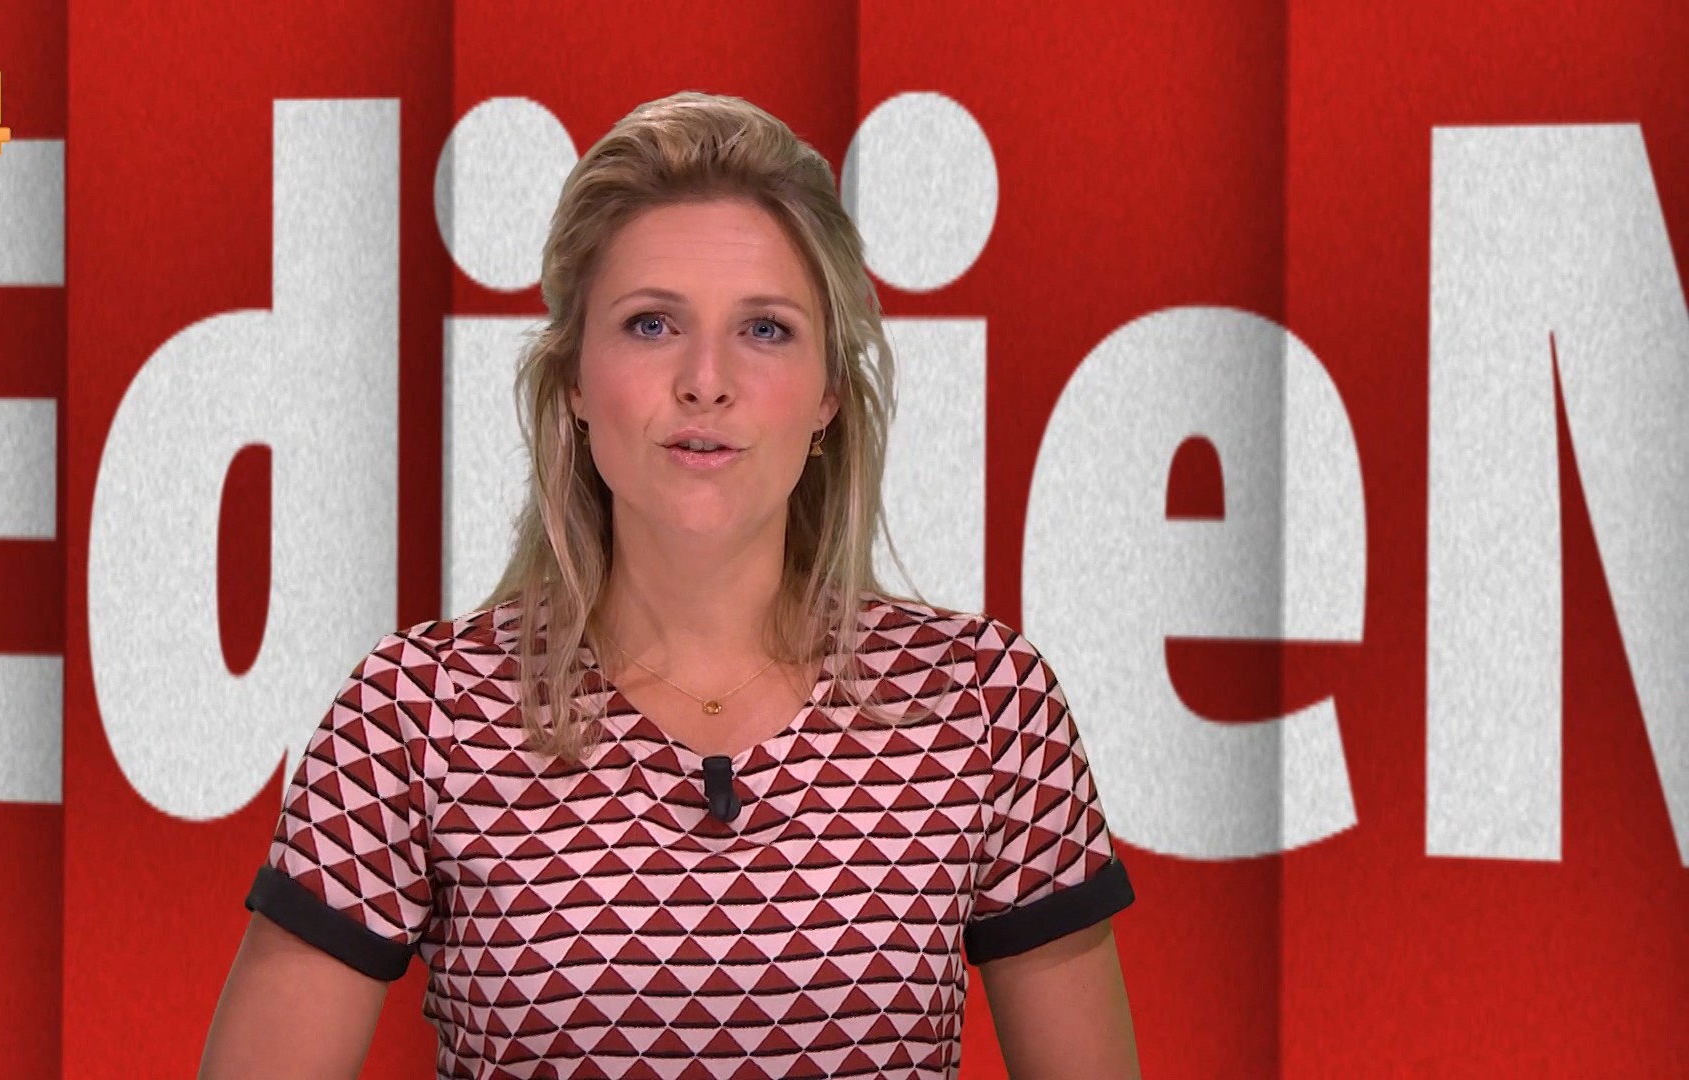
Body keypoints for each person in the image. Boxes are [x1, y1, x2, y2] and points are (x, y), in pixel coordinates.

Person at [201, 90, 1138, 1079]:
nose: (706, 379)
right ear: (573, 378)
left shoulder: (985, 701)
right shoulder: (415, 711)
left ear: (828, 392)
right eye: (651, 324)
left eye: (765, 329)